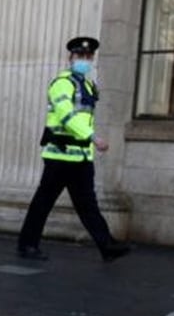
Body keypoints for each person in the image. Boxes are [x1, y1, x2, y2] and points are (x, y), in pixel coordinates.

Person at [16, 36, 131, 262]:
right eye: (80, 55)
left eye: (88, 56)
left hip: (81, 158)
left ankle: (107, 246)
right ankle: (27, 245)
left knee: (88, 205)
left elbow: (84, 118)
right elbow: (66, 115)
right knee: (43, 202)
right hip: (59, 157)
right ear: (70, 57)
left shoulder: (88, 85)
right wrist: (93, 137)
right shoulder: (62, 83)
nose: (85, 60)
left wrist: (89, 145)